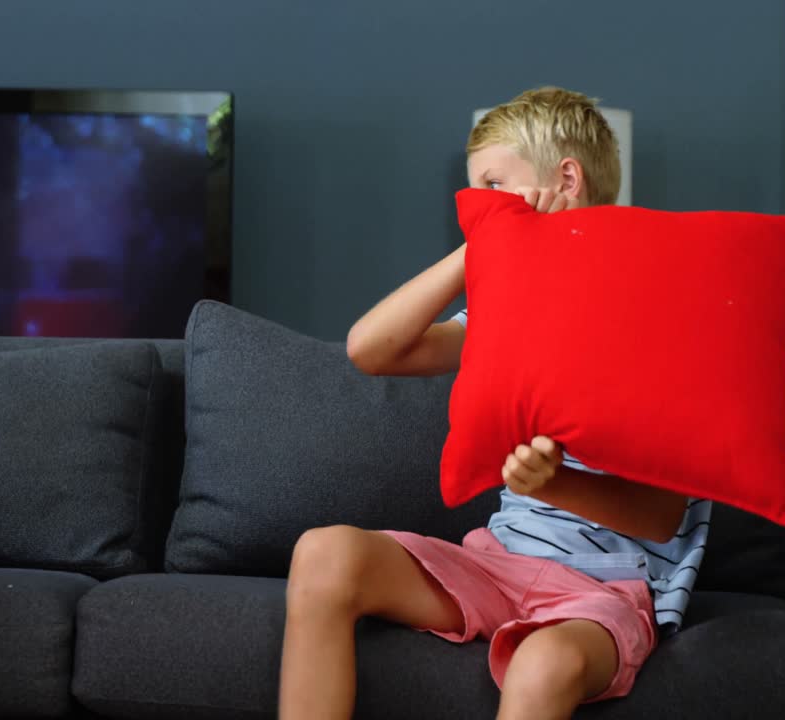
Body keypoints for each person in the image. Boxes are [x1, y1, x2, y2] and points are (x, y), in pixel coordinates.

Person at [279, 87, 713, 720]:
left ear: (566, 178)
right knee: (325, 553)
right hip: (499, 561)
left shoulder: (669, 315)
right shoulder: (507, 308)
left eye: (491, 185)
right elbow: (370, 350)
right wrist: (480, 243)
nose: (475, 205)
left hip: (606, 588)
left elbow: (662, 518)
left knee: (542, 665)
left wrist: (556, 482)